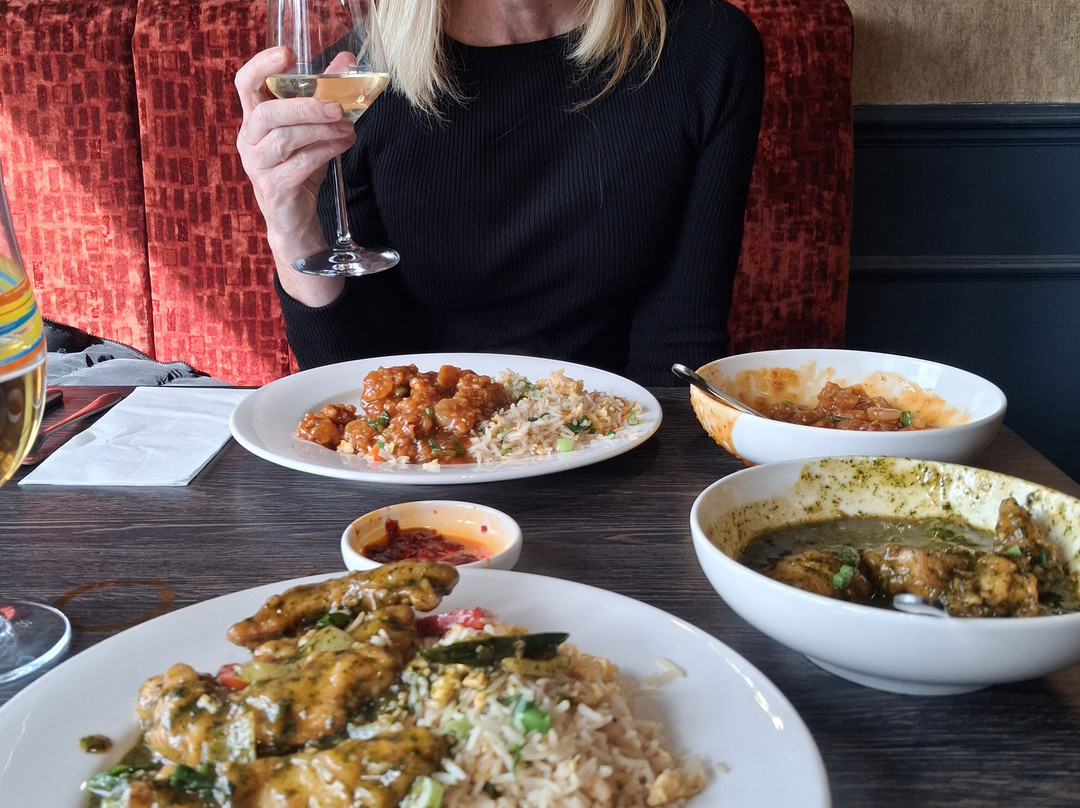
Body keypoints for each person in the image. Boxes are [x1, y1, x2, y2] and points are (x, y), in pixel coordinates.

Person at [235, 0, 763, 386]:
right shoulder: (351, 81)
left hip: (617, 439)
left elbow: (678, 344)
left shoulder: (707, 50)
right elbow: (349, 384)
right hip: (421, 459)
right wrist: (292, 229)